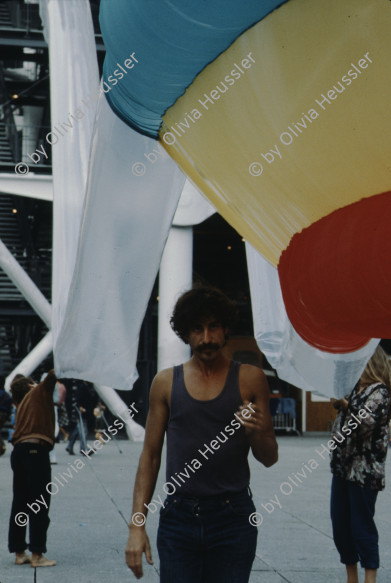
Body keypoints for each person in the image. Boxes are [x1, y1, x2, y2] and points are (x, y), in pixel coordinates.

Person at [125, 286, 278, 582]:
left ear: (225, 329)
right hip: (179, 519)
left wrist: (255, 432)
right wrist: (136, 526)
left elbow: (269, 458)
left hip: (233, 518)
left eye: (213, 327)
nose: (206, 338)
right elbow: (151, 456)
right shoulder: (165, 382)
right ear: (185, 333)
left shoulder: (250, 379)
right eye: (197, 329)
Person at [330, 346, 391, 583]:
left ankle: (370, 578)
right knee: (341, 526)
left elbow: (364, 424)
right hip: (342, 469)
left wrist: (345, 406)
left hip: (364, 473)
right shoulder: (354, 389)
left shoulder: (380, 392)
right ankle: (351, 577)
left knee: (361, 526)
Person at [8, 371, 57, 568]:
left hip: (19, 451)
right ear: (30, 386)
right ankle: (37, 554)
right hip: (36, 451)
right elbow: (53, 375)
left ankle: (19, 551)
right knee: (39, 503)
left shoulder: (21, 405)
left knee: (20, 502)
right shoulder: (37, 394)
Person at [0, 385, 12, 455]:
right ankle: (2, 446)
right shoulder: (6, 394)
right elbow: (9, 407)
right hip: (4, 415)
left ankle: (1, 447)